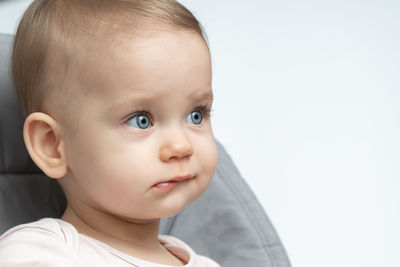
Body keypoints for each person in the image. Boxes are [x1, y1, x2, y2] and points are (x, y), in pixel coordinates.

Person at [0, 0, 219, 266]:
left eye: (196, 114)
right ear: (52, 145)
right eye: (141, 120)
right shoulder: (39, 253)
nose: (182, 146)